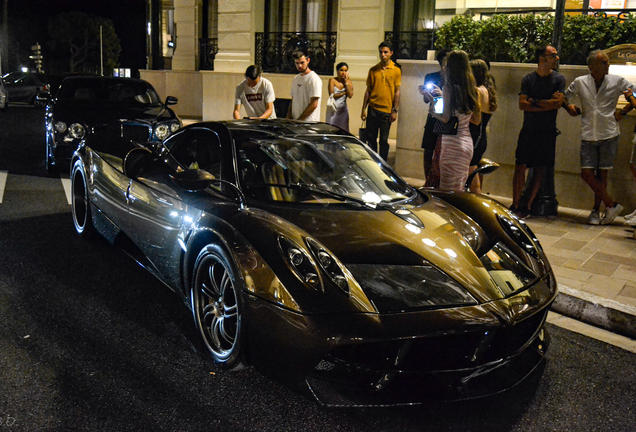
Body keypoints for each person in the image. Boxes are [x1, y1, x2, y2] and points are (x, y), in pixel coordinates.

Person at [563, 50, 633, 225]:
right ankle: (611, 205)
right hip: (588, 133)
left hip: (609, 133)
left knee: (602, 175)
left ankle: (597, 210)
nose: (607, 65)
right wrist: (568, 106)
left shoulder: (617, 81)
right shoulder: (580, 82)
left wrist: (623, 111)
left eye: (607, 62)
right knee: (586, 173)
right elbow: (564, 97)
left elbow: (635, 93)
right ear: (592, 66)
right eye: (604, 63)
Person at [511, 45, 566, 218]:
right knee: (520, 166)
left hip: (547, 131)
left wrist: (533, 102)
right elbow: (522, 104)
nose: (557, 58)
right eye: (553, 55)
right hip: (528, 129)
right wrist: (546, 103)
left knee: (540, 168)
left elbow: (557, 104)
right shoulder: (528, 79)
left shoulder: (559, 79)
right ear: (543, 58)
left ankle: (527, 205)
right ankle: (515, 204)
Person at [425, 50, 481, 192]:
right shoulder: (473, 90)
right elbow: (476, 119)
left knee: (448, 192)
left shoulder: (448, 88)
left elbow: (445, 117)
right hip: (466, 143)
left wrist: (432, 110)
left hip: (451, 145)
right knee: (459, 189)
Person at [361, 41, 401, 161]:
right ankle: (373, 162)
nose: (383, 54)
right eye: (381, 52)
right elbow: (368, 90)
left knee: (383, 140)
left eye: (385, 52)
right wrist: (363, 109)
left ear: (391, 53)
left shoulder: (396, 70)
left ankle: (383, 163)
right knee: (371, 138)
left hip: (386, 111)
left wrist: (395, 110)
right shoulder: (373, 70)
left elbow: (397, 92)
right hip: (373, 109)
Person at [468, 59, 497, 194]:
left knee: (472, 180)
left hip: (474, 136)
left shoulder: (477, 91)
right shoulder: (487, 90)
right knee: (473, 175)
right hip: (481, 137)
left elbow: (475, 119)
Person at [419, 49, 449, 178]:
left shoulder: (454, 80)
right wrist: (429, 92)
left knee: (443, 153)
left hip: (447, 117)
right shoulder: (431, 77)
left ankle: (439, 181)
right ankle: (428, 181)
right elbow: (426, 100)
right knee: (428, 150)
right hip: (433, 117)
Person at [287, 51, 322, 121]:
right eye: (297, 63)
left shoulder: (313, 78)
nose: (299, 66)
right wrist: (289, 117)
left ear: (308, 60)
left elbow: (314, 103)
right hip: (295, 122)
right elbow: (293, 100)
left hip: (308, 123)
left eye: (302, 63)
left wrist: (300, 120)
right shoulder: (296, 79)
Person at [326, 62, 353, 131]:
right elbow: (332, 95)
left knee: (343, 130)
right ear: (337, 71)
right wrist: (343, 93)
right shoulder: (332, 80)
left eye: (345, 70)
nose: (343, 72)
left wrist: (346, 82)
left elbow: (350, 95)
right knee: (331, 128)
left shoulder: (348, 82)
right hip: (333, 109)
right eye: (341, 70)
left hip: (343, 110)